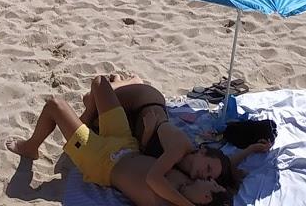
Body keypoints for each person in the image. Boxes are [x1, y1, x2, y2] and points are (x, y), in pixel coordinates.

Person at [6, 76, 233, 206]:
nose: (209, 178)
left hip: (101, 161)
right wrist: (251, 150)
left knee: (55, 105)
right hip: (125, 143)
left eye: (212, 182)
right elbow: (231, 170)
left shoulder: (171, 201)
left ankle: (30, 148)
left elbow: (154, 179)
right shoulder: (187, 179)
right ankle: (85, 118)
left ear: (205, 197)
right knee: (100, 84)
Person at [76, 78, 262, 184]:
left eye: (208, 176)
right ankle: (131, 82)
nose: (204, 175)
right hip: (143, 100)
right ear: (202, 152)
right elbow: (152, 177)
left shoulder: (184, 169)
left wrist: (251, 149)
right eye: (207, 168)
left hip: (137, 122)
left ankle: (129, 81)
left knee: (95, 111)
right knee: (89, 102)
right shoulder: (179, 147)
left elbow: (225, 163)